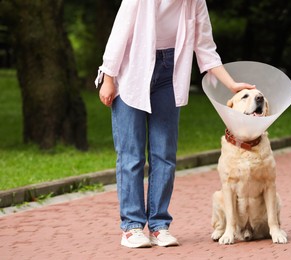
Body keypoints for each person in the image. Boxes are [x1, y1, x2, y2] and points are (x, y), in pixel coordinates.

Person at [95, 0, 255, 249]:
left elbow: (205, 49)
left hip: (168, 75)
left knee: (165, 155)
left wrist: (232, 85)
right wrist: (108, 78)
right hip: (131, 71)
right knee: (131, 156)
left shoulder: (195, 3)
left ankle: (159, 226)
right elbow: (119, 33)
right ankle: (132, 227)